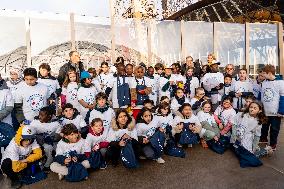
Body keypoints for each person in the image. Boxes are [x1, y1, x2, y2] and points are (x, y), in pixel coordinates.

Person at [260, 65, 284, 150]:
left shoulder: (280, 83)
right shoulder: (264, 82)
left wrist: (281, 111)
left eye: (264, 73)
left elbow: (282, 97)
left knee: (274, 129)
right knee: (264, 126)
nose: (262, 75)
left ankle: (273, 144)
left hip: (275, 113)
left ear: (269, 73)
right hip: (265, 111)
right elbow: (261, 95)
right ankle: (263, 138)